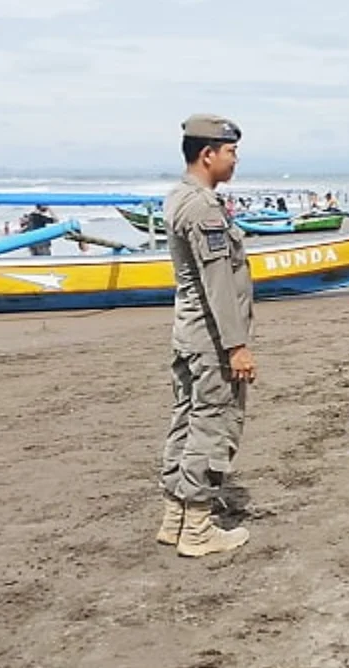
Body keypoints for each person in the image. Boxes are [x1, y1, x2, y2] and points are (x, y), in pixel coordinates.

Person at [158, 114, 253, 558]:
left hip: (189, 332)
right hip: (211, 337)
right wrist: (236, 346)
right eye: (230, 152)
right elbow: (218, 282)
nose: (235, 160)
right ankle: (197, 527)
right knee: (213, 425)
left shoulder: (179, 198)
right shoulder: (201, 208)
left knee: (186, 420)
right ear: (207, 154)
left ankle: (174, 516)